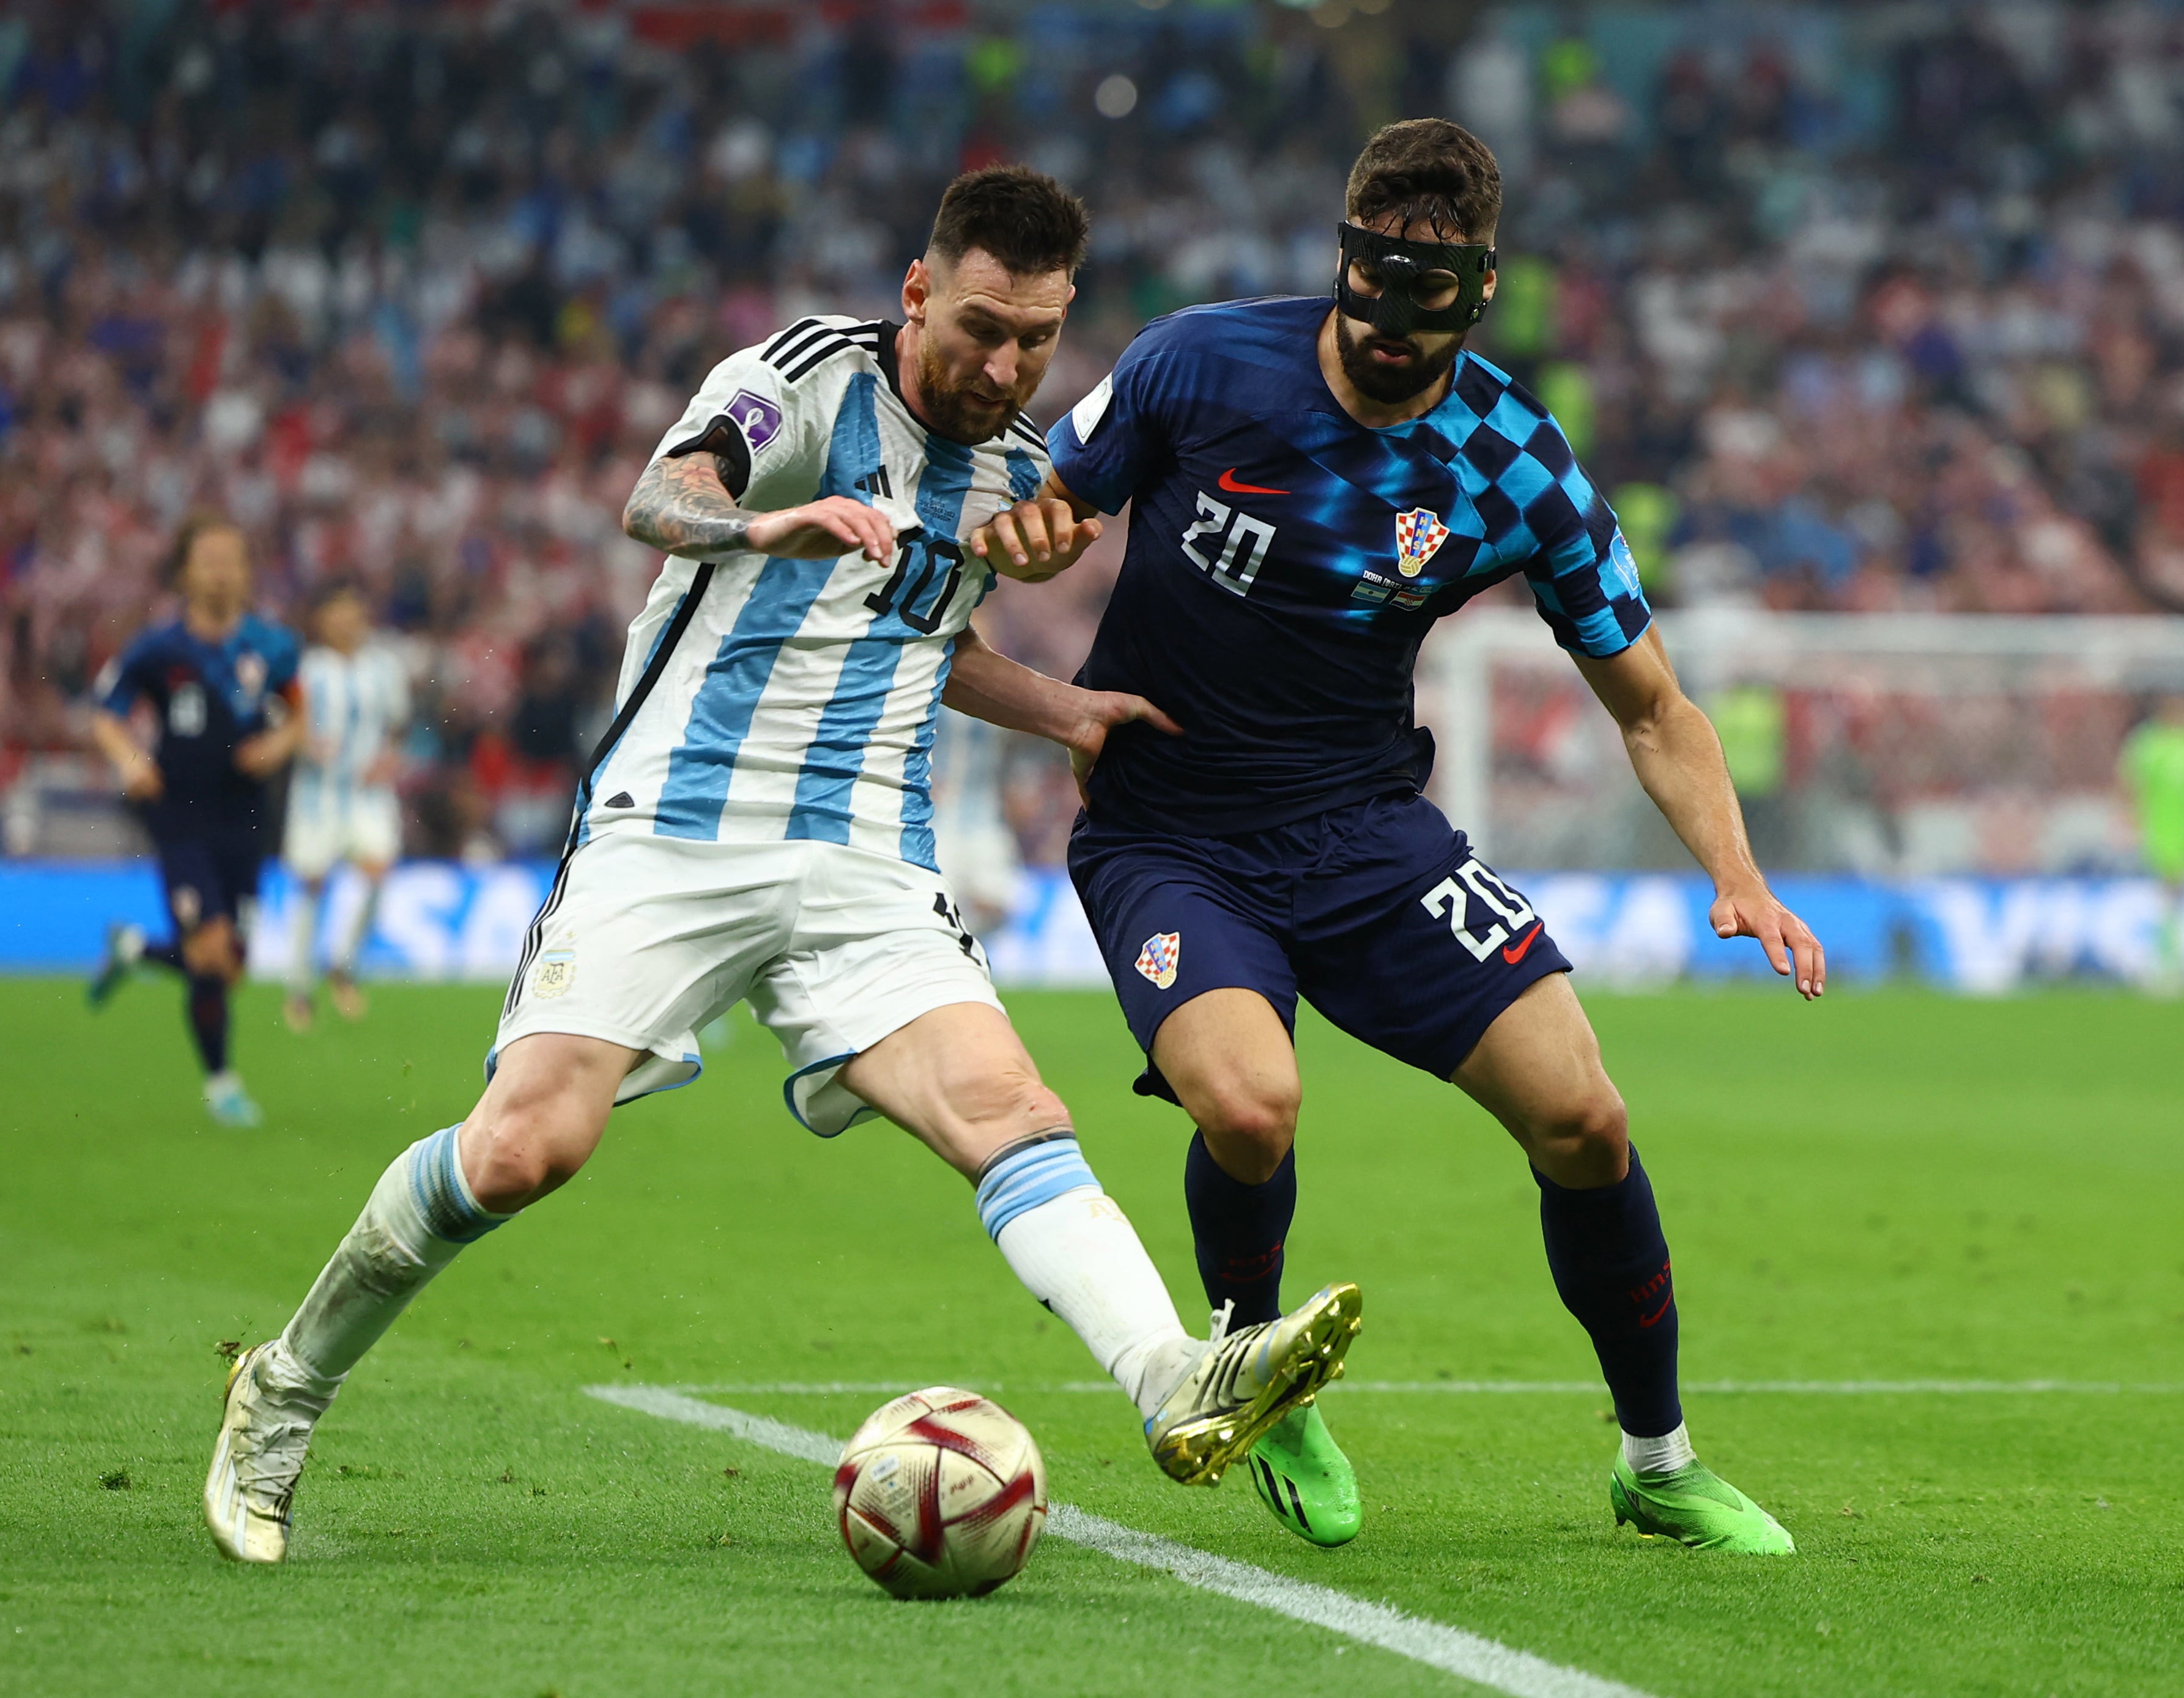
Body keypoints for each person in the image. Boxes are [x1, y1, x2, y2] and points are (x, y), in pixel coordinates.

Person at [203, 166, 1361, 1565]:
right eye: (980, 326)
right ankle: (284, 1384)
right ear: (917, 291)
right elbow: (660, 494)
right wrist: (767, 519)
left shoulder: (1011, 472)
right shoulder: (801, 376)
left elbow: (924, 634)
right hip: (673, 824)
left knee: (1002, 1101)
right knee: (521, 1149)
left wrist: (1062, 707)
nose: (1003, 365)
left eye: (1035, 340)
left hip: (866, 847)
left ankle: (1171, 1373)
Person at [1032, 120, 1824, 1554]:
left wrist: (1735, 873)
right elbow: (1041, 494)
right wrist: (1032, 534)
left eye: (1430, 306)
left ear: (1477, 292)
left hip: (1364, 834)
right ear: (1343, 261)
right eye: (1373, 295)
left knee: (1583, 1115)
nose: (1391, 337)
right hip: (1169, 830)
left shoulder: (1510, 460)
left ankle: (1653, 1458)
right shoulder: (1197, 362)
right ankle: (1253, 1366)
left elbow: (1649, 705)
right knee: (1250, 1103)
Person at [87, 516, 304, 1128]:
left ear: (246, 570)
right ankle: (222, 1083)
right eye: (207, 559)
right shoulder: (158, 648)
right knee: (208, 951)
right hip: (179, 813)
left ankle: (134, 949)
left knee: (230, 968)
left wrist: (279, 745)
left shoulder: (272, 645)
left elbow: (298, 713)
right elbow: (106, 714)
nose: (220, 570)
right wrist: (130, 757)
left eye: (230, 558)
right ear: (185, 571)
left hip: (246, 817)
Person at [278, 581, 410, 1032]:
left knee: (378, 870)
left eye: (352, 611)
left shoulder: (383, 668)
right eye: (337, 613)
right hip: (318, 793)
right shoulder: (305, 668)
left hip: (367, 793)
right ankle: (298, 989)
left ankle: (343, 964)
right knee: (313, 883)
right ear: (321, 620)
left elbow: (396, 724)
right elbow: (282, 723)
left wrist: (390, 758)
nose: (346, 621)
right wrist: (303, 745)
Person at [2119, 694, 2184, 986]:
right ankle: (2166, 962)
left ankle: (2174, 961)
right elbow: (2130, 784)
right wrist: (2128, 820)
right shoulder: (2147, 742)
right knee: (2166, 897)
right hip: (2156, 829)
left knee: (2178, 898)